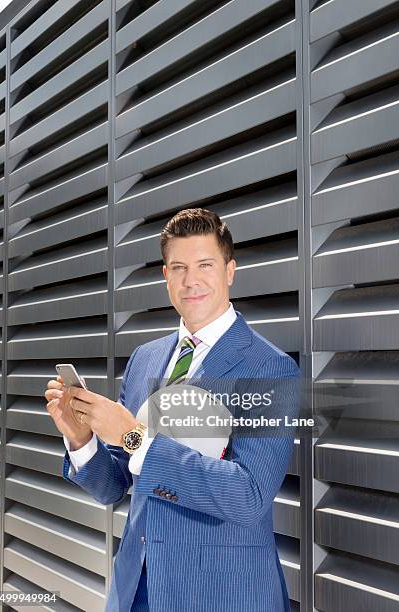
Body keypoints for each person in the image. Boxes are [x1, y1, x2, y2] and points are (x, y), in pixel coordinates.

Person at [45, 208, 301, 612]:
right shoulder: (145, 359)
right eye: (178, 267)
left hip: (221, 593)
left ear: (230, 271)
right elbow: (114, 486)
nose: (190, 280)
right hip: (137, 587)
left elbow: (249, 496)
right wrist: (81, 437)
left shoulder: (269, 367)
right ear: (165, 276)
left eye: (204, 265)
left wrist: (133, 437)